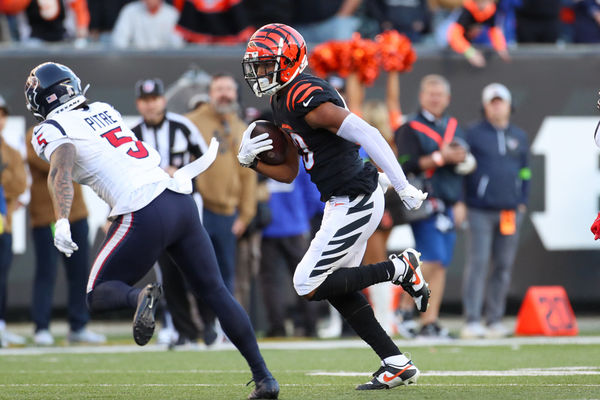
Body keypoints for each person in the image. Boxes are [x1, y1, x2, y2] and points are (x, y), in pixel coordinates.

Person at [25, 62, 278, 399]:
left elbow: (62, 164)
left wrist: (61, 219)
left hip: (142, 208)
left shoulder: (50, 128)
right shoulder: (103, 109)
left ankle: (139, 297)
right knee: (216, 291)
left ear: (41, 99)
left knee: (96, 294)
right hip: (178, 199)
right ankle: (264, 378)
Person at [239, 23, 429, 391]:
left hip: (355, 196)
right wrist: (252, 163)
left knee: (305, 282)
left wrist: (403, 185)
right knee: (337, 288)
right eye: (257, 65)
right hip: (340, 199)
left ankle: (400, 267)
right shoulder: (282, 99)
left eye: (266, 64)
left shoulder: (304, 94)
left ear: (289, 61)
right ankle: (395, 362)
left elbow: (368, 134)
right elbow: (291, 172)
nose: (260, 73)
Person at [394, 74, 474, 339]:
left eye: (440, 94)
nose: (435, 98)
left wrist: (461, 199)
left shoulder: (452, 125)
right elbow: (406, 165)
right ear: (421, 96)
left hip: (450, 200)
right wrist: (441, 157)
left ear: (448, 98)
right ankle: (404, 308)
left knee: (441, 265)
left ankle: (430, 321)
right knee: (432, 258)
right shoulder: (410, 127)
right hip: (425, 201)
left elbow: (461, 168)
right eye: (431, 94)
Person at [131, 78, 208, 346]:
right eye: (145, 100)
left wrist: (182, 173)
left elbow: (204, 159)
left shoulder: (182, 126)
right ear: (138, 104)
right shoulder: (132, 134)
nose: (151, 105)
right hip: (155, 209)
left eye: (154, 99)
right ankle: (184, 331)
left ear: (163, 100)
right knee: (168, 272)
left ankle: (210, 328)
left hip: (187, 204)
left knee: (199, 268)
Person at [460, 83, 530, 339]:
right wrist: (463, 201)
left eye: (501, 101)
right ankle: (472, 319)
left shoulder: (519, 136)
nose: (497, 105)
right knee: (478, 263)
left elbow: (525, 171)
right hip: (480, 209)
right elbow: (464, 171)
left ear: (510, 105)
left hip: (510, 211)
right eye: (493, 101)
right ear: (485, 106)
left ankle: (494, 319)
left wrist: (521, 199)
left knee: (503, 265)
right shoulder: (474, 133)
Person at [26, 128, 106, 346]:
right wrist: (69, 152)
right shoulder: (34, 134)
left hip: (77, 214)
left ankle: (78, 325)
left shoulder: (70, 127)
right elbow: (54, 164)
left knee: (80, 272)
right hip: (47, 218)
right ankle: (41, 327)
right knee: (47, 272)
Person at [259, 166, 322, 337]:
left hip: (268, 227)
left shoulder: (260, 159)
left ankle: (277, 326)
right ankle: (310, 325)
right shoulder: (297, 159)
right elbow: (313, 195)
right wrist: (302, 217)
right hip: (295, 226)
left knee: (270, 280)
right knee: (305, 277)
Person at [0, 94, 27, 347]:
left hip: (3, 224)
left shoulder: (10, 150)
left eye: (2, 114)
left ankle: (1, 325)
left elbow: (20, 183)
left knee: (2, 276)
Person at [447, 0, 510, 68]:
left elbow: (494, 30)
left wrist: (500, 47)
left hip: (470, 44)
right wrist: (470, 52)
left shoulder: (490, 10)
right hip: (455, 46)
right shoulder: (466, 10)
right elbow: (454, 36)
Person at [111, 0, 182, 49]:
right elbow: (119, 40)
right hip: (135, 61)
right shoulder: (130, 11)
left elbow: (177, 44)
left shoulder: (171, 14)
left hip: (163, 62)